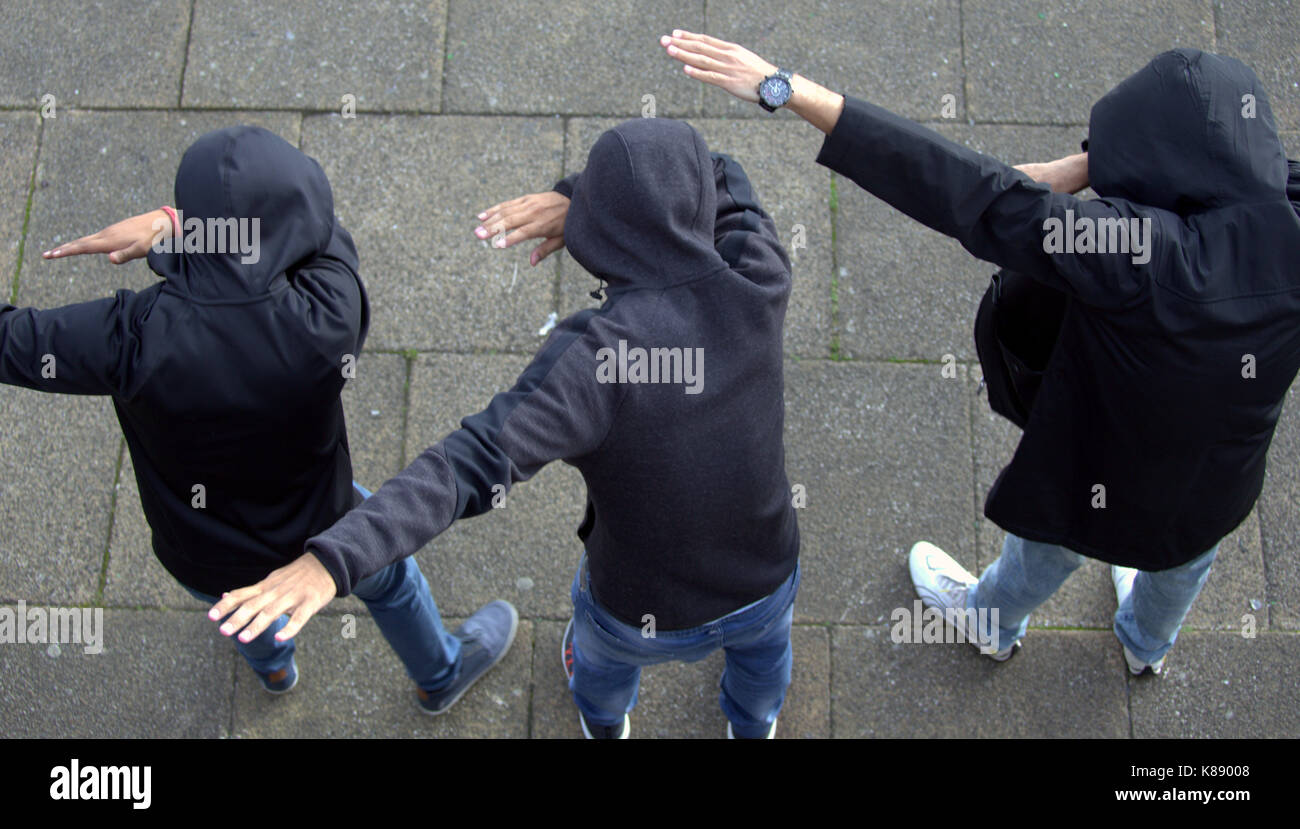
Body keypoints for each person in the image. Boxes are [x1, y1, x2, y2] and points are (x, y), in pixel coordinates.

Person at [662, 32, 1300, 673]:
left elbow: (972, 191)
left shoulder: (1138, 257)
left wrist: (785, 88)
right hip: (1217, 487)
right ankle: (1145, 647)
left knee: (1046, 550)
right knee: (1182, 565)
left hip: (1096, 474)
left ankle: (989, 623)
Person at [210, 117, 801, 739]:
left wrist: (332, 562)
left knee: (602, 667)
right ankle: (753, 723)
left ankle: (604, 724)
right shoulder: (758, 275)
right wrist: (586, 199)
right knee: (764, 665)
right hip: (766, 577)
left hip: (637, 607)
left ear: (601, 231)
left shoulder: (596, 359)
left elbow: (466, 465)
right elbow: (718, 169)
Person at [4, 125, 514, 711]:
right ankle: (439, 674)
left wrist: (177, 234)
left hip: (196, 548)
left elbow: (10, 342)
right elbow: (317, 233)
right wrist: (175, 229)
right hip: (326, 523)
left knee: (240, 611)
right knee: (393, 581)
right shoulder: (330, 315)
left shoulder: (124, 338)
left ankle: (273, 670)